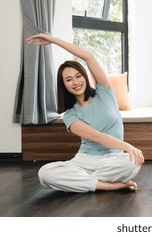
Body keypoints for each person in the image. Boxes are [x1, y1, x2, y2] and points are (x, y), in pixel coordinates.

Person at [27, 34, 144, 193]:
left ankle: (86, 182)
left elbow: (88, 57)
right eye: (69, 80)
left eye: (78, 76)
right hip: (84, 161)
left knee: (132, 162)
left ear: (85, 77)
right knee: (45, 173)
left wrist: (54, 40)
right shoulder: (70, 115)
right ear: (64, 85)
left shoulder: (104, 92)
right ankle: (106, 185)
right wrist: (128, 146)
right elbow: (97, 136)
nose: (75, 82)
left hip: (113, 159)